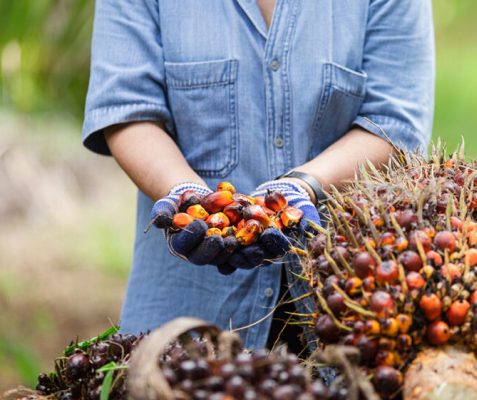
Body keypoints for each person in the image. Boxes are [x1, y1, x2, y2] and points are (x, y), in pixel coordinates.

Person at [82, 0, 435, 351]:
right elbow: (127, 110)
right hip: (188, 312)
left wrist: (304, 186)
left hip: (342, 305)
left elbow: (394, 124)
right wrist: (185, 195)